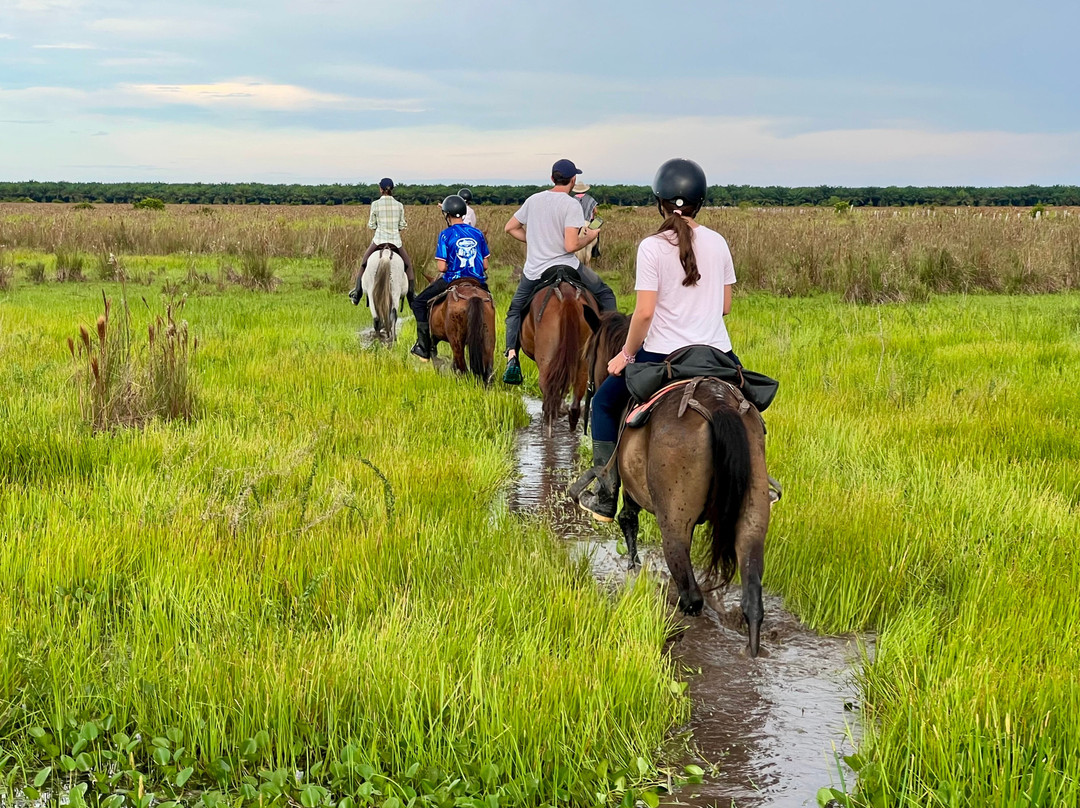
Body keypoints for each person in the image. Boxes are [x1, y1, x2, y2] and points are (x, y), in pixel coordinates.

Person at [576, 158, 740, 522]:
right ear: (700, 202)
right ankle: (757, 481)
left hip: (662, 356)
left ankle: (606, 495)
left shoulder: (651, 247)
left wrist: (625, 354)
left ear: (659, 202)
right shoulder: (718, 242)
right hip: (717, 353)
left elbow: (645, 314)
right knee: (747, 405)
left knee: (603, 403)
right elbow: (725, 307)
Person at [501, 158, 616, 385]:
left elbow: (510, 227)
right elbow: (571, 246)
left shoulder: (533, 200)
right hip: (568, 266)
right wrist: (591, 236)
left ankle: (512, 358)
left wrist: (535, 241)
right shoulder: (571, 205)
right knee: (606, 294)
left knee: (515, 310)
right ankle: (611, 348)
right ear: (573, 180)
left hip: (535, 270)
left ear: (552, 178)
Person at [409, 195, 490, 360]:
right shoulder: (478, 233)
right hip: (477, 281)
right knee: (489, 302)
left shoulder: (445, 235)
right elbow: (485, 265)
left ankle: (423, 347)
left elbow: (441, 268)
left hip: (453, 278)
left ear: (447, 215)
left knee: (418, 303)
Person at [349, 177, 416, 306]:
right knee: (408, 265)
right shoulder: (399, 205)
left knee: (364, 263)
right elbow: (402, 225)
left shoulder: (375, 204)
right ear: (392, 189)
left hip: (378, 241)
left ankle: (357, 292)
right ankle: (411, 296)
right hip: (395, 242)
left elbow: (372, 225)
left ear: (380, 189)